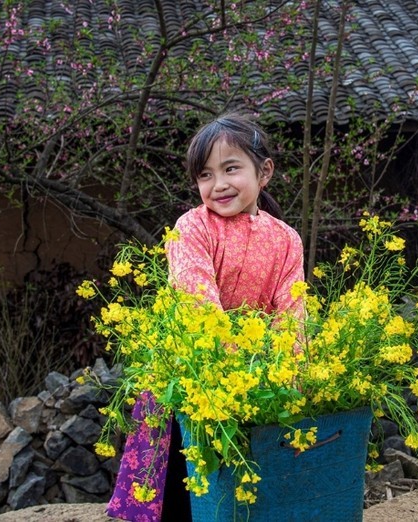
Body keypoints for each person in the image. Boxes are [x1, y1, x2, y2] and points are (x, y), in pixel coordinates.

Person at [106, 112, 305, 522]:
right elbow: (198, 302)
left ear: (263, 171)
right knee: (175, 489)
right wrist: (225, 365)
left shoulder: (287, 240)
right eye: (205, 175)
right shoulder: (192, 228)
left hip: (255, 377)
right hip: (190, 374)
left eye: (231, 168)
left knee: (244, 489)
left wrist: (289, 373)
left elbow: (292, 313)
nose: (218, 185)